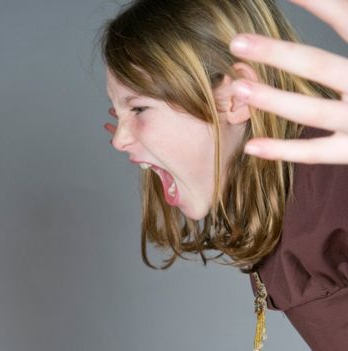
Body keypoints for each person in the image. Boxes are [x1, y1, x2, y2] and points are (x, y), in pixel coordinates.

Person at [101, 0, 348, 349]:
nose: (119, 139)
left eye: (139, 108)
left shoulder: (334, 180)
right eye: (118, 113)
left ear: (234, 98)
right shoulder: (282, 199)